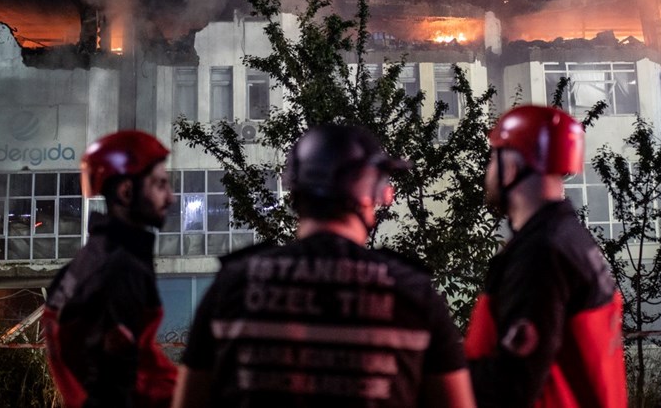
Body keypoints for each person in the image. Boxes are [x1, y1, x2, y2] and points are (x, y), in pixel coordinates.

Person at [173, 124, 475, 408]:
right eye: (382, 183)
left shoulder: (234, 284)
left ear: (295, 191)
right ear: (368, 194)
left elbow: (188, 400)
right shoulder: (412, 292)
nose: (389, 195)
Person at [464, 105, 626, 408]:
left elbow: (511, 386)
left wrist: (441, 373)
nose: (487, 170)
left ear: (511, 169)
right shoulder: (568, 239)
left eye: (492, 158)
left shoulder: (542, 254)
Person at [42, 130, 178, 407]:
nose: (171, 197)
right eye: (160, 185)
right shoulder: (120, 269)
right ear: (126, 192)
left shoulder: (92, 258)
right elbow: (114, 387)